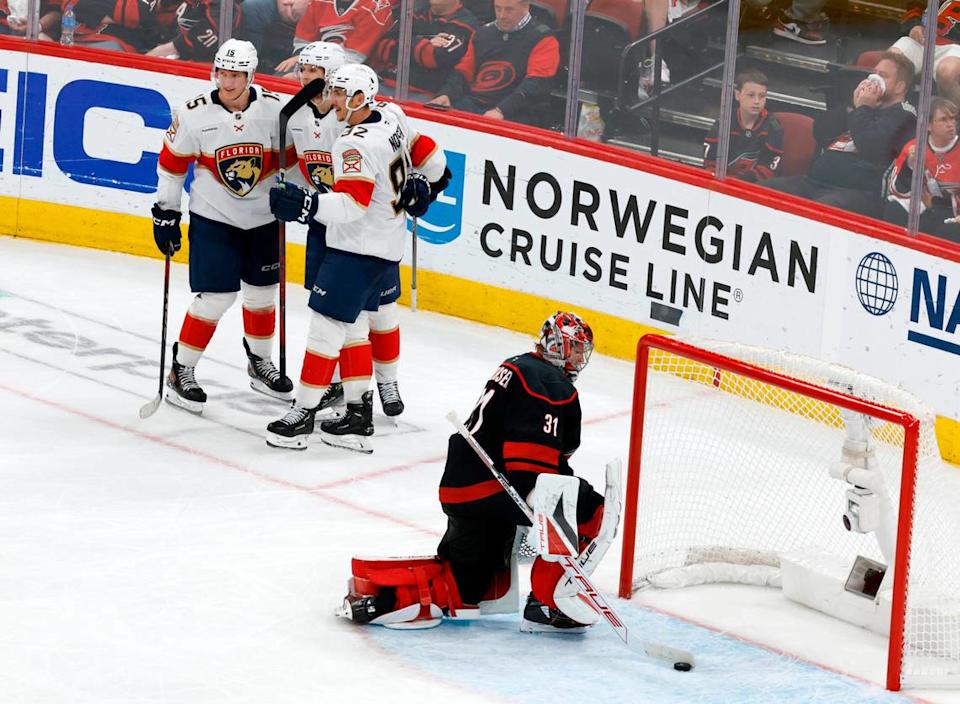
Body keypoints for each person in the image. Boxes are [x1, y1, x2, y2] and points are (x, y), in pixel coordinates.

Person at [336, 313, 622, 632]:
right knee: (594, 511)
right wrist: (552, 513)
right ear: (557, 345)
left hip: (464, 486)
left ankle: (384, 597)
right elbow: (534, 471)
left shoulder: (518, 364)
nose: (581, 358)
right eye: (576, 349)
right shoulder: (547, 381)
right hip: (492, 487)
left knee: (467, 591)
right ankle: (548, 604)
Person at [265, 64, 449, 452]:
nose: (331, 99)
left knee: (326, 329)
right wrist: (431, 182)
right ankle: (358, 414)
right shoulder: (392, 116)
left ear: (360, 98)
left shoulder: (354, 144)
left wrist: (306, 205)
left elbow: (351, 205)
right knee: (353, 330)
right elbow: (428, 152)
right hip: (385, 248)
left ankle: (303, 414)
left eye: (338, 94)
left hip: (357, 249)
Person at [151, 39, 294, 415]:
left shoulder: (276, 111)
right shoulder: (193, 112)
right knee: (216, 297)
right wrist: (166, 211)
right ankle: (182, 369)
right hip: (214, 218)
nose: (227, 82)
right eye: (223, 73)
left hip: (264, 219)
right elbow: (171, 166)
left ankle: (259, 362)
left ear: (251, 74)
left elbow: (291, 163)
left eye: (236, 75)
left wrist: (295, 196)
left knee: (263, 295)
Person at [764, 51, 916, 218]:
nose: (875, 80)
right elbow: (820, 131)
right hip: (815, 182)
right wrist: (852, 106)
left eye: (883, 76)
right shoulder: (864, 105)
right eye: (874, 74)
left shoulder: (905, 116)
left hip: (859, 192)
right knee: (762, 192)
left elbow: (870, 145)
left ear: (900, 86)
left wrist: (863, 109)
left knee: (820, 210)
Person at [429, 0, 559, 127]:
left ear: (525, 7)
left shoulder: (544, 38)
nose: (502, 15)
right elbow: (464, 71)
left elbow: (537, 84)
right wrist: (447, 94)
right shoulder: (482, 34)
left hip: (518, 111)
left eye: (509, 9)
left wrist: (501, 110)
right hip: (475, 104)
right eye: (498, 8)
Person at [884, 97, 960, 243]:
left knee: (948, 230)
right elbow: (895, 190)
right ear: (928, 125)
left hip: (950, 214)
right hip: (926, 210)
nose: (951, 124)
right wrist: (909, 167)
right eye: (944, 120)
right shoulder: (914, 147)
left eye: (953, 119)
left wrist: (935, 206)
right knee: (893, 210)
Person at [370, 0, 479, 98]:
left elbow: (434, 57)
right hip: (384, 83)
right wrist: (425, 42)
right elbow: (382, 46)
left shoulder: (465, 24)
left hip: (423, 95)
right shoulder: (414, 13)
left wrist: (408, 41)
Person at [703, 69, 784, 182]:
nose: (756, 101)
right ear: (737, 95)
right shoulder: (724, 122)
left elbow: (767, 171)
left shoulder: (773, 127)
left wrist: (737, 182)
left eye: (762, 96)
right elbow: (710, 163)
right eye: (751, 95)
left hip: (752, 188)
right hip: (721, 184)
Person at [274, 0, 395, 72]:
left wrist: (308, 63)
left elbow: (352, 57)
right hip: (310, 61)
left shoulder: (377, 8)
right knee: (281, 77)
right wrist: (301, 66)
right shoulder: (318, 2)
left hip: (353, 73)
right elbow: (303, 41)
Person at [890, 0, 960, 107]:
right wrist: (914, 26)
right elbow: (915, 8)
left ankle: (953, 118)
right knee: (892, 61)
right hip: (922, 40)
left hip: (955, 47)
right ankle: (887, 110)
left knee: (947, 71)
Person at [237, 0, 310, 73]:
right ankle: (247, 67)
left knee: (283, 78)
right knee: (252, 7)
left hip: (317, 10)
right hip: (285, 5)